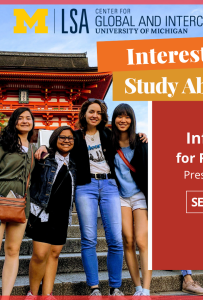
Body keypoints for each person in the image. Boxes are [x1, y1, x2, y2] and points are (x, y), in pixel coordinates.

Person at [35, 98, 147, 296]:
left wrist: (141, 136)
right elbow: (62, 145)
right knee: (88, 238)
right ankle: (94, 287)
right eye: (91, 112)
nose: (94, 115)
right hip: (85, 187)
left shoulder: (108, 134)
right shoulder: (76, 136)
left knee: (115, 239)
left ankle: (115, 287)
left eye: (98, 112)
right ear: (84, 114)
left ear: (102, 116)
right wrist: (44, 148)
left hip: (110, 185)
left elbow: (126, 139)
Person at [25, 126, 76, 297]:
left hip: (61, 215)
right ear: (55, 138)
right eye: (62, 137)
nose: (66, 140)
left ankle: (47, 293)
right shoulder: (44, 157)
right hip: (42, 212)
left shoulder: (74, 164)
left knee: (54, 255)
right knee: (40, 254)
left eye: (70, 138)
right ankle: (32, 293)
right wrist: (43, 147)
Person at [111, 104, 151, 296]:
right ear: (114, 119)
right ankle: (137, 287)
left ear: (132, 120)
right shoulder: (109, 143)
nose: (123, 120)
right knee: (128, 240)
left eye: (127, 117)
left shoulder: (141, 142)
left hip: (139, 196)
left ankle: (146, 289)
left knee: (142, 241)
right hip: (121, 197)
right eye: (119, 116)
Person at [0, 107, 35, 296]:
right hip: (1, 195)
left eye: (28, 118)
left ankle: (5, 296)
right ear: (13, 121)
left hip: (21, 203)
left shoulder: (33, 148)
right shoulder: (3, 142)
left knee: (13, 250)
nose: (24, 121)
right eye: (20, 118)